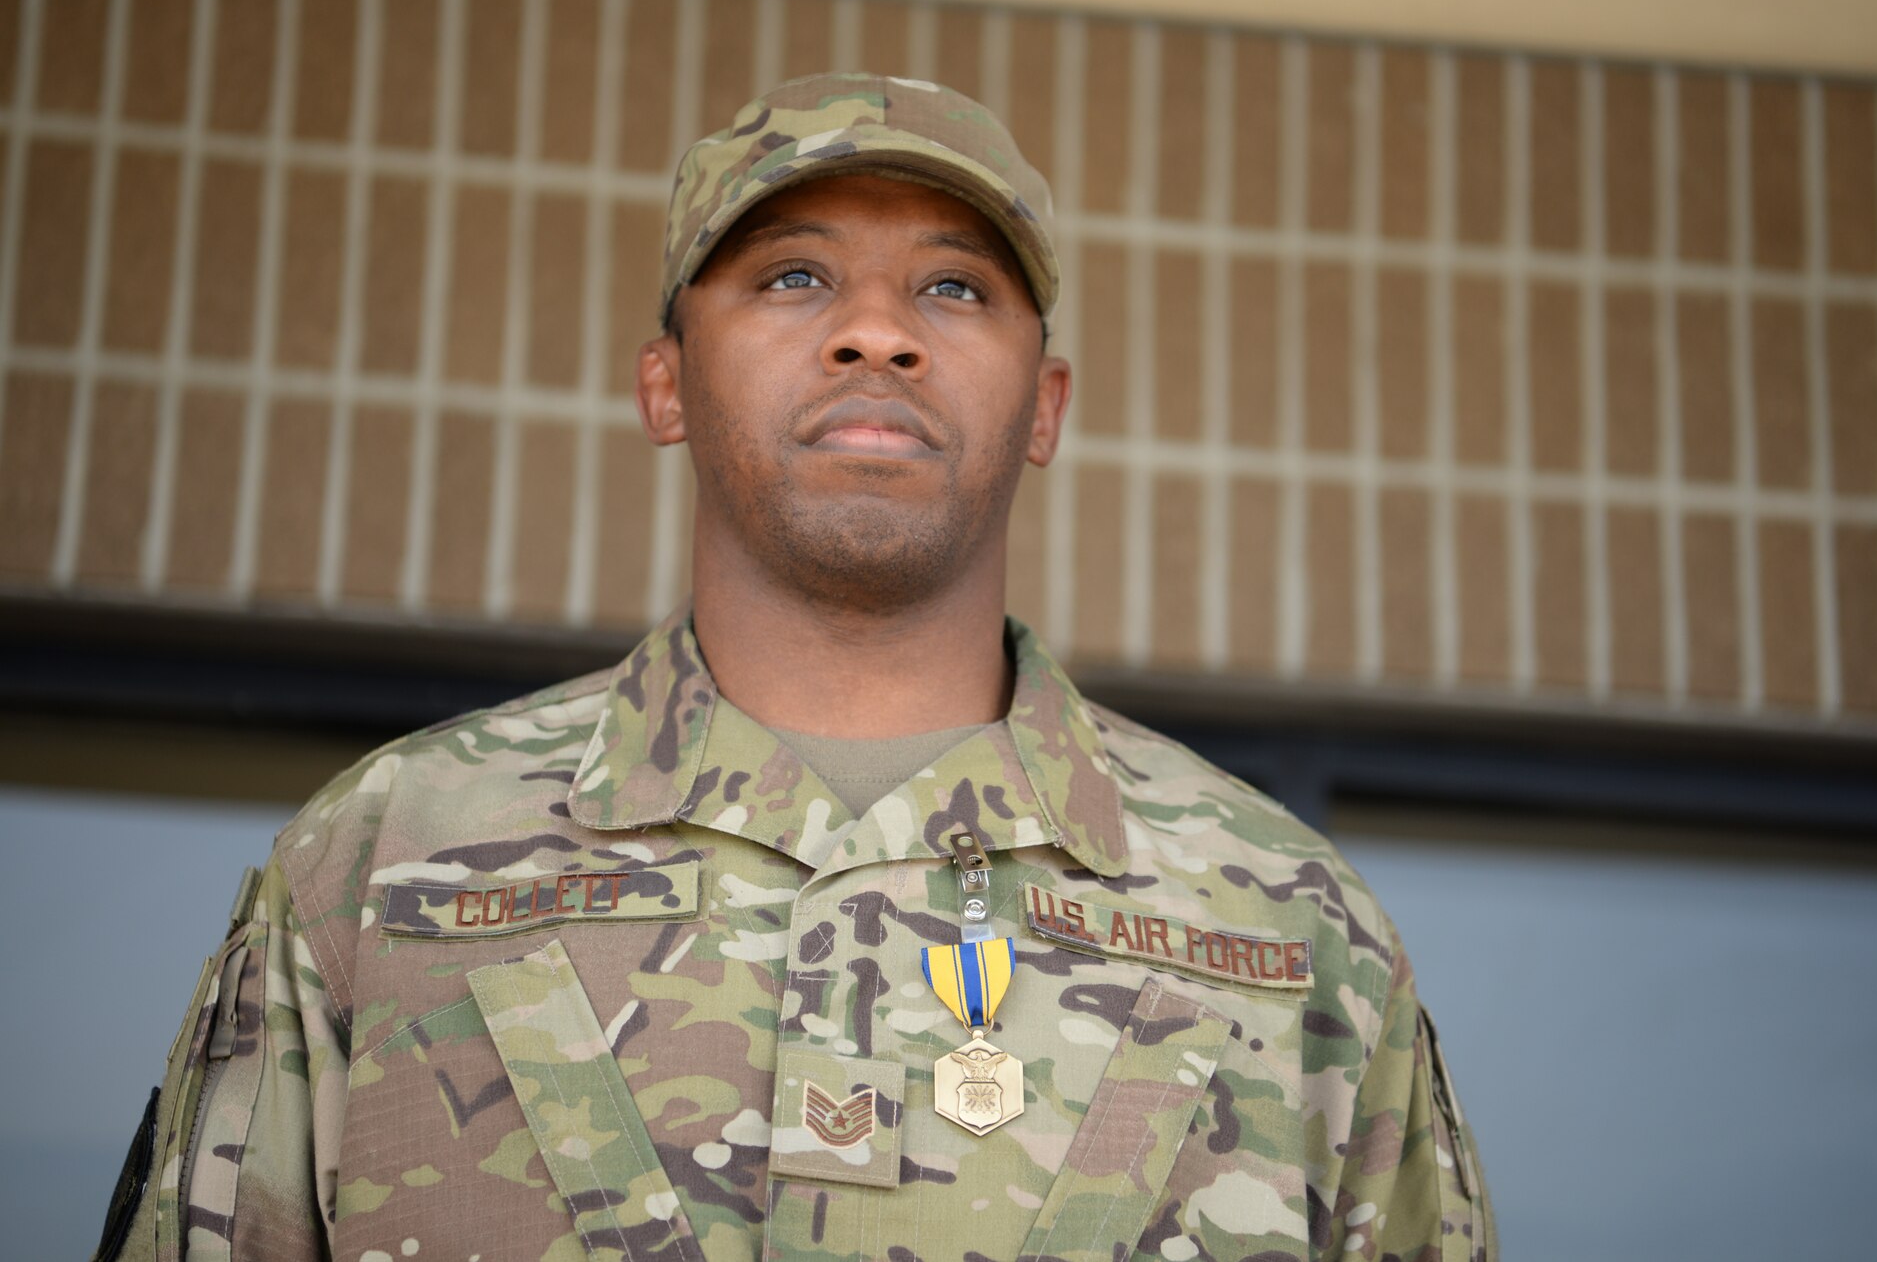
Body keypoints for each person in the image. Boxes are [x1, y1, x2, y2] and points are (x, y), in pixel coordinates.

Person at [97, 72, 1494, 1262]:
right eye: (793, 275)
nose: (877, 330)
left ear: (1046, 407)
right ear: (665, 383)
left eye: (955, 285)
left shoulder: (1291, 932)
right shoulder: (382, 869)